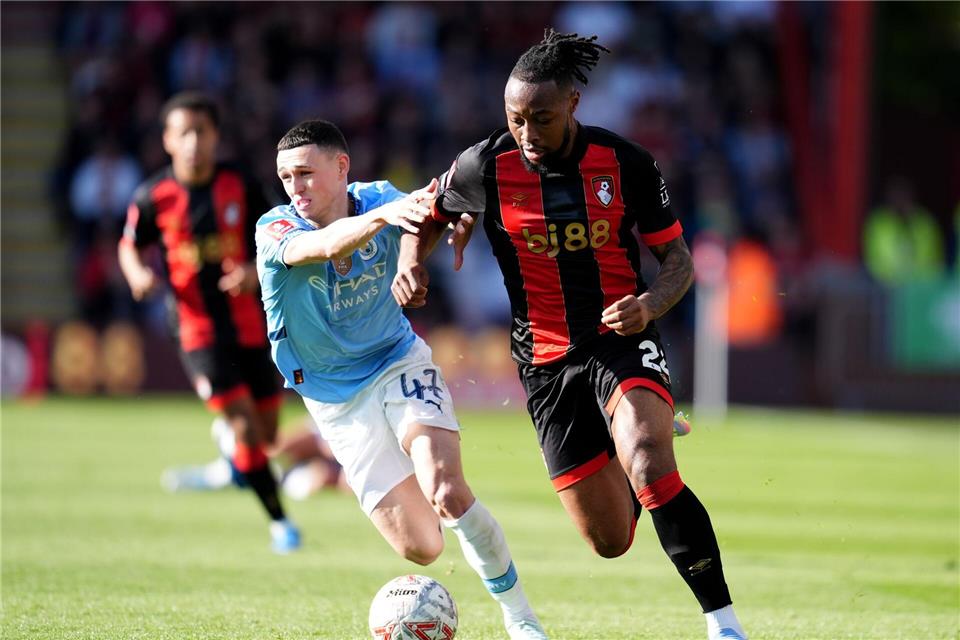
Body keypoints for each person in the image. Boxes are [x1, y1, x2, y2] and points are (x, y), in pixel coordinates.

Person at [393, 30, 747, 640]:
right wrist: (410, 261)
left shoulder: (626, 163)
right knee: (610, 541)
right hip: (543, 360)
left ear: (575, 104)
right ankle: (634, 434)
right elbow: (424, 216)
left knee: (649, 462)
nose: (527, 132)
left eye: (542, 118)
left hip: (618, 337)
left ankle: (723, 624)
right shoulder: (485, 165)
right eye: (515, 118)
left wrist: (648, 304)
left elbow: (679, 262)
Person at [255, 119, 547, 639]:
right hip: (334, 401)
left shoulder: (381, 198)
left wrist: (456, 219)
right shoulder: (276, 228)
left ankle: (521, 620)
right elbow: (321, 248)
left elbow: (438, 204)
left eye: (305, 173)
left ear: (341, 167)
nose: (295, 188)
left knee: (447, 490)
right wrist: (391, 214)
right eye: (285, 177)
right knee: (423, 547)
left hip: (397, 361)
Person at [118, 91, 300, 554]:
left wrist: (254, 272)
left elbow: (281, 236)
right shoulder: (153, 196)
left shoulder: (241, 184)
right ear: (167, 140)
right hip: (196, 329)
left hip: (253, 324)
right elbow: (129, 245)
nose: (194, 142)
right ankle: (281, 523)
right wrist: (138, 273)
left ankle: (234, 462)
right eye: (184, 133)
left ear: (216, 136)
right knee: (245, 429)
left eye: (202, 131)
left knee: (268, 435)